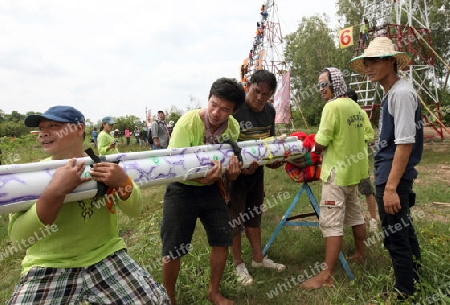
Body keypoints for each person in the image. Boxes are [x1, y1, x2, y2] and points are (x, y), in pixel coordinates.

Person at [8, 106, 169, 304]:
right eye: (41, 129)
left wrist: (123, 183)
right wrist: (54, 192)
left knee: (155, 301)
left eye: (53, 126)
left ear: (78, 129)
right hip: (47, 264)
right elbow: (18, 238)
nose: (43, 133)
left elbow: (135, 210)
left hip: (106, 254)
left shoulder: (101, 166)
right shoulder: (29, 178)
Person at [349, 36, 423, 298]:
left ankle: (403, 291)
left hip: (393, 177)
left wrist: (391, 188)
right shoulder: (393, 92)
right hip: (389, 174)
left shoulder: (401, 94)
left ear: (392, 61)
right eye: (366, 62)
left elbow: (404, 144)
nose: (369, 67)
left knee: (395, 236)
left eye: (375, 61)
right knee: (402, 227)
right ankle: (414, 279)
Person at [160, 77, 245, 305]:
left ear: (233, 111)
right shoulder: (187, 124)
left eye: (224, 109)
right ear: (208, 99)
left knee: (221, 240)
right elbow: (173, 167)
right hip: (181, 189)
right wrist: (201, 178)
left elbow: (229, 166)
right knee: (173, 247)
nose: (216, 112)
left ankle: (213, 292)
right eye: (213, 104)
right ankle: (169, 297)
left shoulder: (233, 128)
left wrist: (233, 173)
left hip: (212, 188)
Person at [300, 67, 368, 289]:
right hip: (355, 172)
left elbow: (321, 142)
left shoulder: (332, 107)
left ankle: (326, 276)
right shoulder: (356, 107)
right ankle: (360, 253)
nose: (320, 90)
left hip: (336, 173)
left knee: (332, 224)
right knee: (356, 215)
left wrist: (310, 150)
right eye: (319, 86)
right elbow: (368, 135)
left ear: (334, 83)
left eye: (323, 85)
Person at [227, 70, 285, 286]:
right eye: (256, 91)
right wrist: (239, 168)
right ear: (248, 87)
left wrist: (274, 160)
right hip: (234, 174)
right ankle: (238, 263)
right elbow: (224, 145)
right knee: (235, 218)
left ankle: (258, 259)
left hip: (256, 172)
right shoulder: (236, 110)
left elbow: (269, 143)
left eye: (266, 94)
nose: (260, 98)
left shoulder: (269, 111)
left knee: (254, 214)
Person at [346, 88, 379, 233]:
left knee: (366, 190)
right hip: (344, 162)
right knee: (347, 192)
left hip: (359, 161)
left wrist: (357, 140)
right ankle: (351, 220)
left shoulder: (361, 114)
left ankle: (373, 220)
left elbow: (369, 134)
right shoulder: (340, 114)